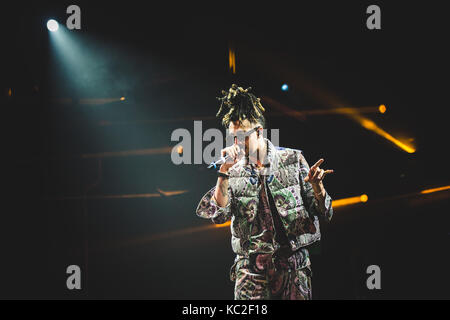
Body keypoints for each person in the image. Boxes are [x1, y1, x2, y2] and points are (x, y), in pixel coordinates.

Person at [196, 84, 334, 300]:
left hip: (292, 267)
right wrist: (223, 173)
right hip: (251, 271)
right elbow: (218, 214)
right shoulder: (233, 170)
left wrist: (318, 187)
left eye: (242, 137)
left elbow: (325, 212)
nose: (237, 143)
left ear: (259, 131)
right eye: (233, 138)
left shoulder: (292, 159)